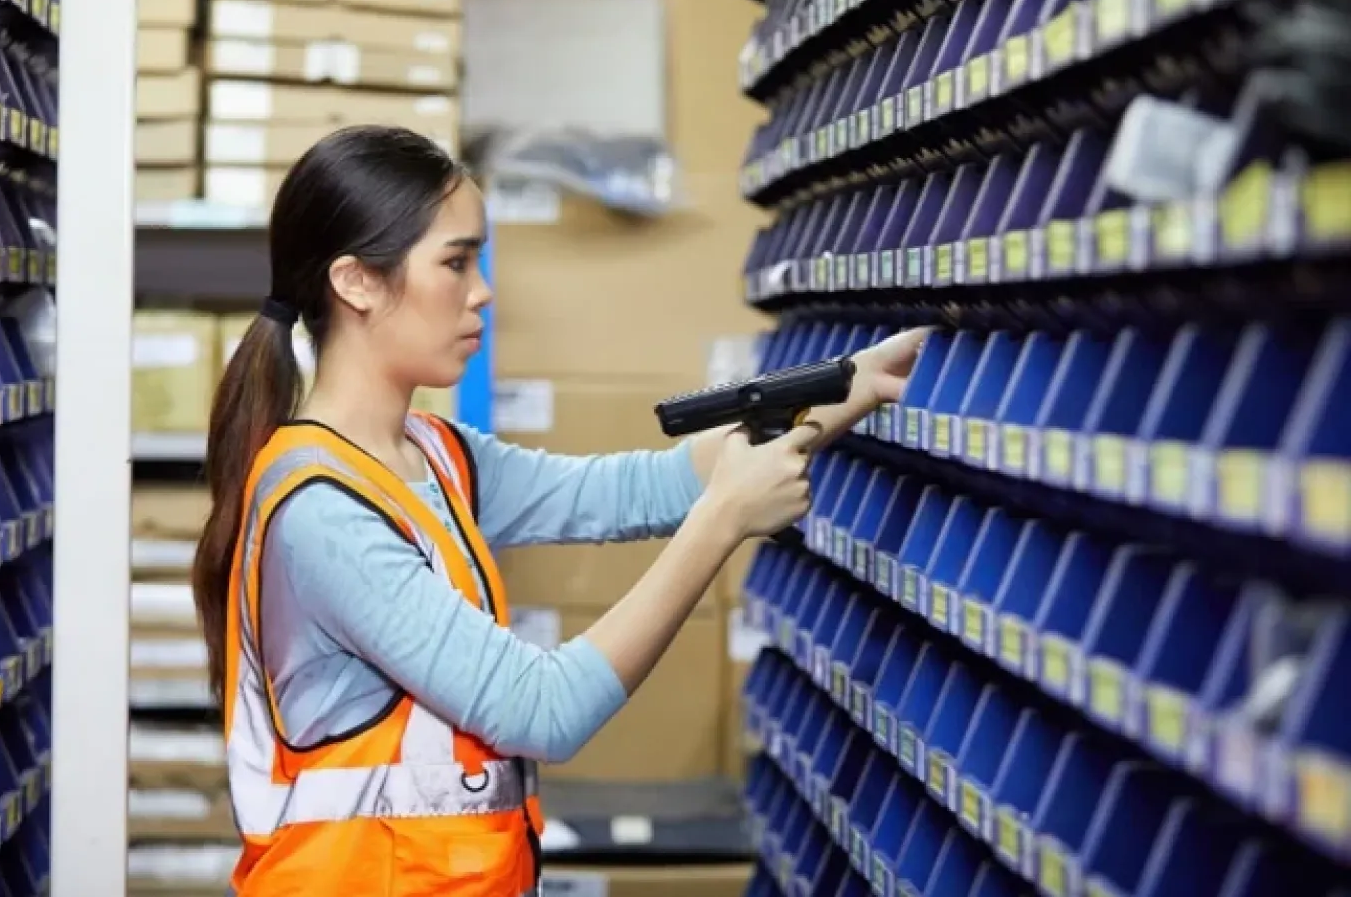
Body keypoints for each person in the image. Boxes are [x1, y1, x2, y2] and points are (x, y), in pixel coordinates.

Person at [190, 124, 928, 897]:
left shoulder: (435, 455)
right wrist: (722, 525)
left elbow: (644, 488)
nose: (482, 290)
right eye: (454, 262)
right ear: (357, 283)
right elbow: (543, 709)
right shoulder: (321, 515)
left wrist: (855, 384)